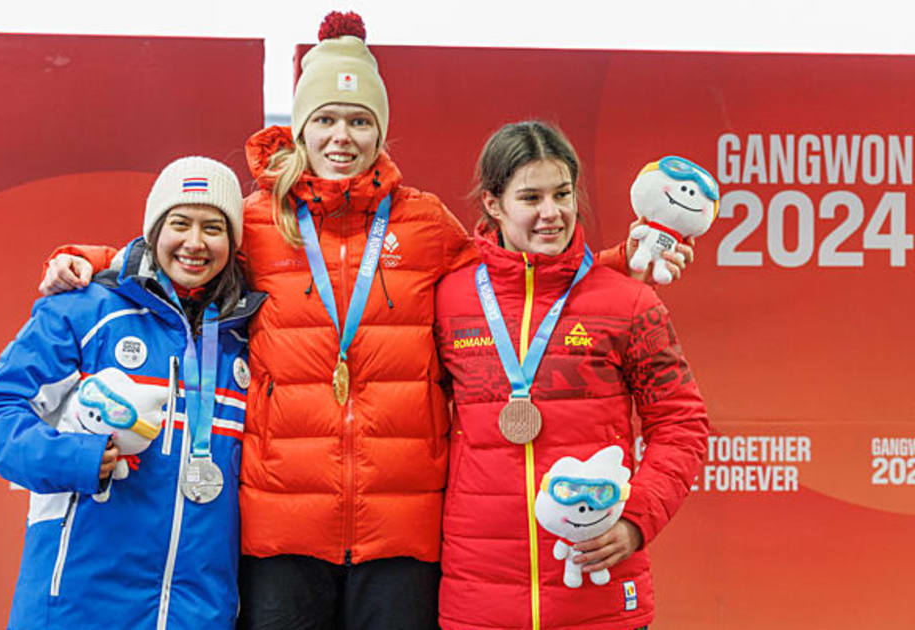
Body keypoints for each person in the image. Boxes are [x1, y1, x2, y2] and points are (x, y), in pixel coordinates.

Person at [36, 14, 693, 630]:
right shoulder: (260, 220)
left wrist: (613, 263)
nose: (341, 138)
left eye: (358, 120)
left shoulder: (426, 223)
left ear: (380, 130)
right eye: (325, 120)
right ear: (300, 129)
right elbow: (179, 250)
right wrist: (85, 261)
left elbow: (515, 274)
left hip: (401, 525)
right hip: (284, 523)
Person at [0, 156, 264, 630]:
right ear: (153, 230)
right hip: (79, 604)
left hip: (198, 610)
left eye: (214, 228)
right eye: (179, 223)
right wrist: (75, 457)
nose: (194, 243)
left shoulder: (246, 336)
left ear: (233, 242)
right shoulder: (85, 310)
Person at [433, 121, 709, 630]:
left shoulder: (629, 302)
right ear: (493, 204)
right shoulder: (450, 299)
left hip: (599, 595)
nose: (551, 213)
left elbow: (682, 425)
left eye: (562, 194)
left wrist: (636, 520)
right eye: (530, 197)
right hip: (479, 600)